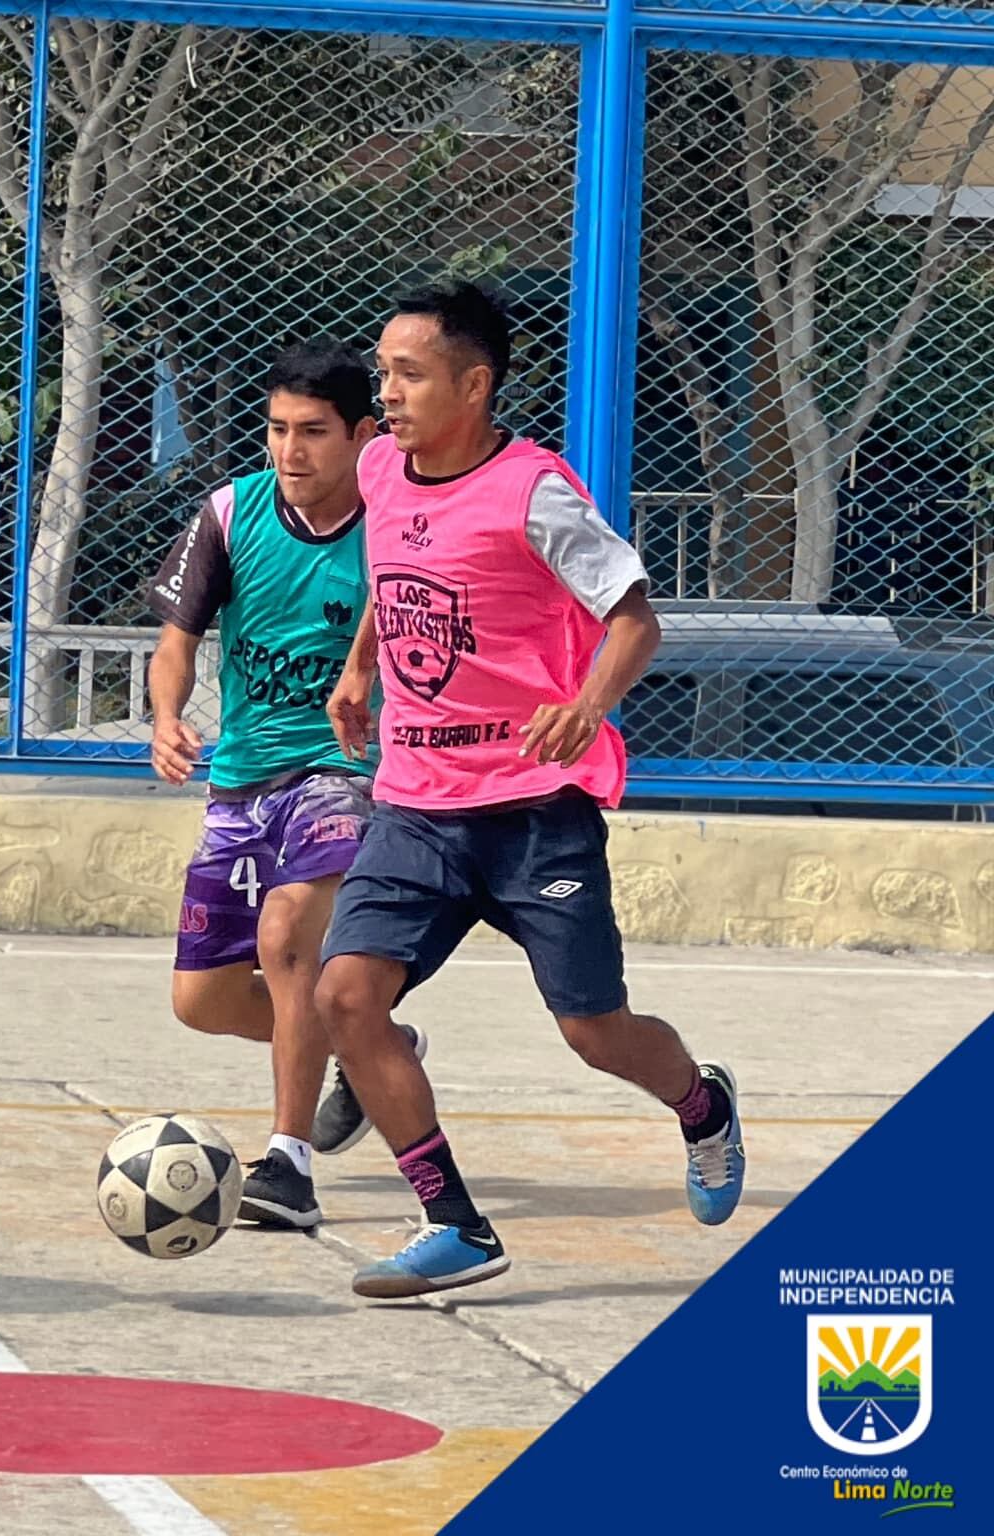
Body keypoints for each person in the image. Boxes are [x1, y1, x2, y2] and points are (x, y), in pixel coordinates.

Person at [316, 280, 745, 1299]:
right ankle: (453, 1225)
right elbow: (392, 579)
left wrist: (586, 704)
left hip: (530, 812)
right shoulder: (380, 467)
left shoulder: (532, 491)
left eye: (409, 374)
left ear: (472, 384)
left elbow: (634, 620)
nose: (388, 394)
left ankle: (699, 1106)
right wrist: (358, 666)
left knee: (592, 1033)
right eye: (382, 372)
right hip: (416, 802)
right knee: (345, 995)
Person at [147, 340, 430, 1231]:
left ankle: (288, 1165)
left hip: (345, 769)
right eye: (276, 430)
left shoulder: (399, 517)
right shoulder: (231, 513)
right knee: (202, 1001)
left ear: (362, 435)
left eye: (312, 432)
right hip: (243, 777)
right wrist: (165, 715)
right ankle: (366, 1043)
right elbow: (178, 640)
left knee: (287, 938)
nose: (290, 451)